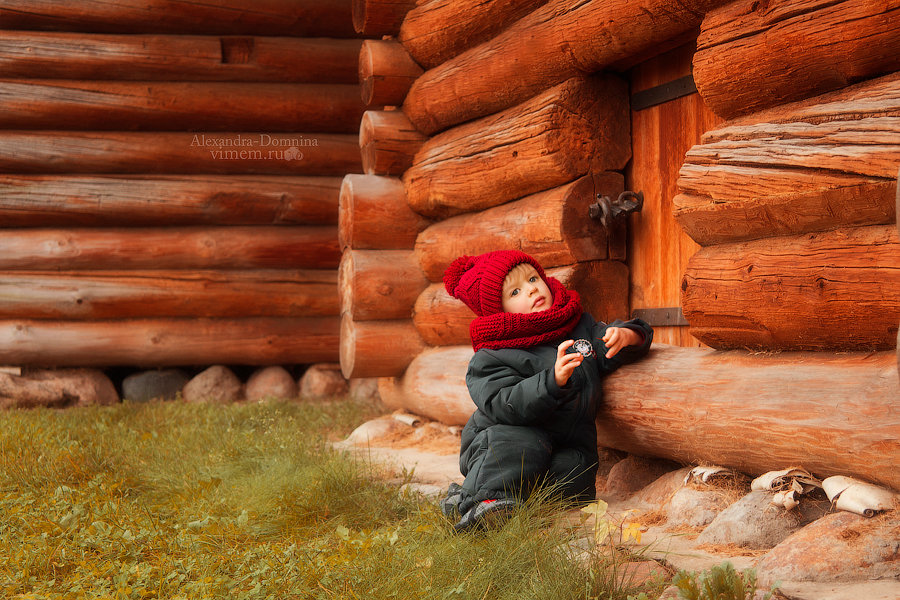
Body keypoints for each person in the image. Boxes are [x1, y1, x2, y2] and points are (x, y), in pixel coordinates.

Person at [439, 250, 653, 531]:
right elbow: (504, 403)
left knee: (573, 476)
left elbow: (604, 346)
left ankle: (518, 504)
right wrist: (552, 381)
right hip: (499, 443)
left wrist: (628, 335)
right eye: (515, 291)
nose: (531, 289)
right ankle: (483, 503)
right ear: (499, 310)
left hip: (566, 442)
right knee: (519, 446)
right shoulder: (491, 356)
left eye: (532, 278)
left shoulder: (576, 326)